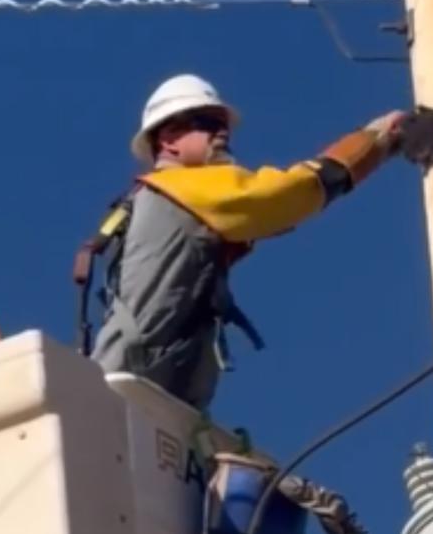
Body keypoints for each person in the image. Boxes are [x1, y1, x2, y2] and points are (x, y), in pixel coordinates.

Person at [75, 72, 405, 414]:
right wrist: (375, 141)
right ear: (169, 137)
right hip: (137, 391)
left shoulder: (157, 202)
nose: (223, 133)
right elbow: (283, 196)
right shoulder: (184, 188)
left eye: (225, 127)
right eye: (207, 123)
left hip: (141, 391)